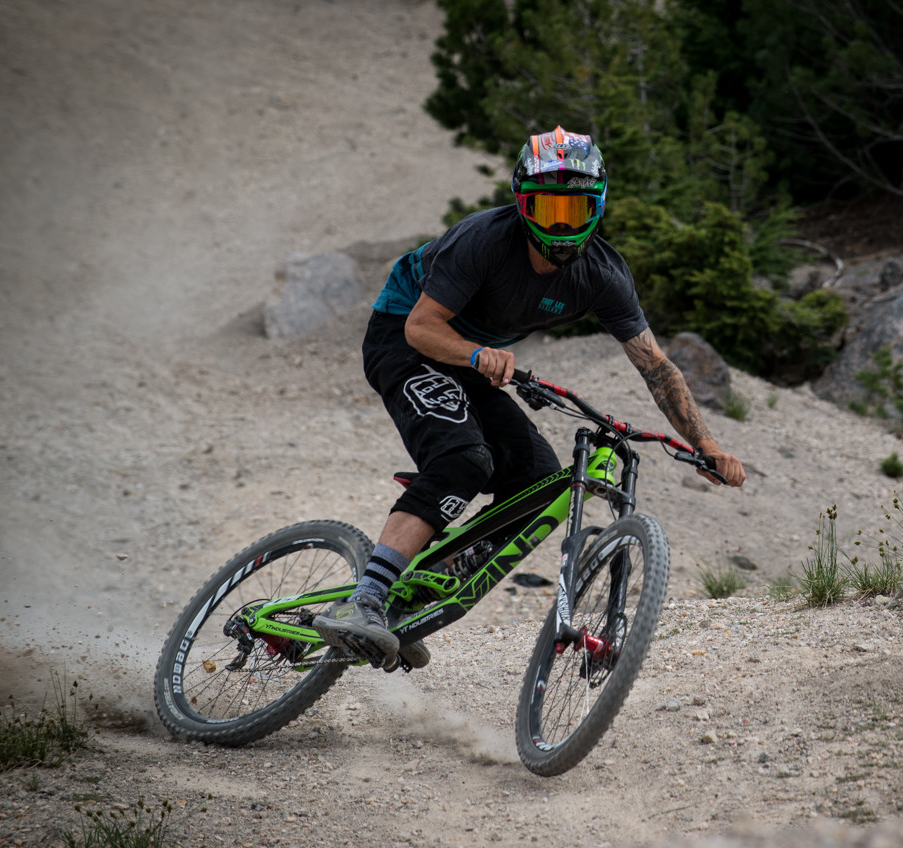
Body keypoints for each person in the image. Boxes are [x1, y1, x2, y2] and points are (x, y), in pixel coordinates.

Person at [314, 126, 746, 668]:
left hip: (471, 356)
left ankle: (416, 594)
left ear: (598, 206)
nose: (560, 225)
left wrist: (707, 443)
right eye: (545, 209)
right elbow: (422, 329)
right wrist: (475, 355)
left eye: (574, 209)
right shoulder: (484, 240)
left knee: (540, 483)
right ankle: (366, 600)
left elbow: (657, 366)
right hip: (406, 337)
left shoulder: (603, 276)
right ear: (522, 206)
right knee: (463, 458)